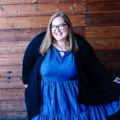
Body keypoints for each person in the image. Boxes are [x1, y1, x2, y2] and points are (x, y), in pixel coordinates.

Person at [22, 12, 120, 120]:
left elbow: (94, 64)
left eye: (61, 26)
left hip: (74, 98)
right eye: (53, 26)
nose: (57, 30)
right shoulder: (40, 41)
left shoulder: (80, 43)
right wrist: (26, 82)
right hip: (47, 98)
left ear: (68, 26)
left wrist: (111, 79)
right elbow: (27, 62)